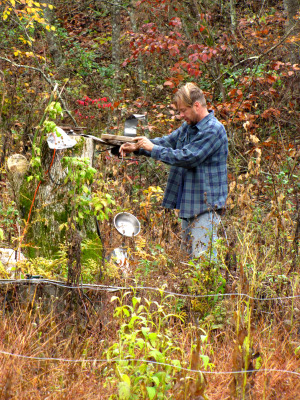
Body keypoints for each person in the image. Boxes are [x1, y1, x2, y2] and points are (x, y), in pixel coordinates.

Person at [120, 82, 228, 259]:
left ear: (197, 105)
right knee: (188, 262)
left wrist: (152, 149)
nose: (181, 115)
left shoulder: (214, 130)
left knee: (204, 263)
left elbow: (187, 157)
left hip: (206, 207)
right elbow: (168, 142)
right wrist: (137, 147)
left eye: (183, 110)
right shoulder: (189, 126)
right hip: (189, 203)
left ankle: (210, 288)